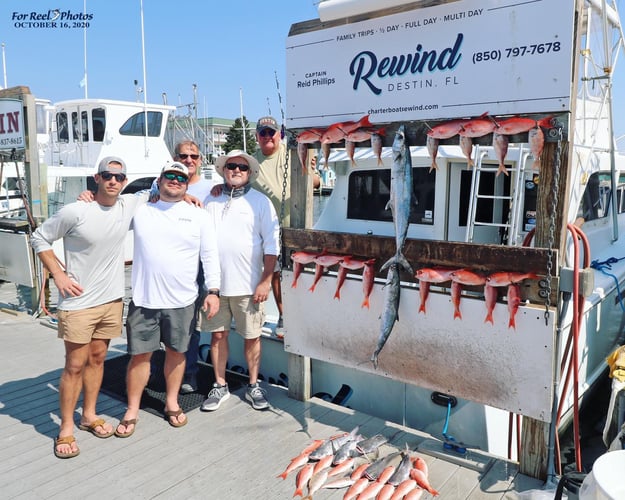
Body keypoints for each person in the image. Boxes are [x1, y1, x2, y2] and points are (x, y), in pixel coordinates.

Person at [31, 157, 146, 459]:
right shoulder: (76, 210)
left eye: (119, 177)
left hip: (111, 300)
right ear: (96, 178)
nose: (113, 181)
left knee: (98, 359)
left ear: (124, 182)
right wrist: (58, 274)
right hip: (79, 303)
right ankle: (66, 427)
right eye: (107, 175)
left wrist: (187, 194)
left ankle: (89, 415)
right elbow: (39, 237)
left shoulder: (127, 205)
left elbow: (163, 188)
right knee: (74, 365)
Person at [115, 162, 220, 436]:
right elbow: (109, 201)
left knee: (177, 353)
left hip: (183, 301)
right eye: (169, 176)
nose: (175, 181)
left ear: (187, 184)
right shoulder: (141, 209)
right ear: (159, 181)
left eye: (180, 178)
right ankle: (132, 409)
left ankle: (172, 402)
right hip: (144, 300)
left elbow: (210, 256)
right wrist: (89, 196)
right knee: (139, 357)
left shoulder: (199, 215)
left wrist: (214, 291)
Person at [201, 150, 279, 411]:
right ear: (223, 170)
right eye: (231, 166)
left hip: (249, 286)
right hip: (215, 288)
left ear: (249, 173)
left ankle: (254, 384)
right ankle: (220, 384)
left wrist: (265, 280)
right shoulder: (209, 201)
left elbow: (271, 245)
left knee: (252, 337)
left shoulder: (261, 202)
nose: (236, 170)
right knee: (217, 336)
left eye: (241, 168)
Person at [252, 116, 320, 330]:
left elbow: (318, 182)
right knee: (276, 273)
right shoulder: (250, 162)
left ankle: (305, 314)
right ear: (256, 136)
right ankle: (284, 316)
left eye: (271, 132)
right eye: (262, 133)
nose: (267, 136)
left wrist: (308, 171)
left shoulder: (292, 153)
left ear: (279, 135)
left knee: (302, 271)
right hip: (267, 231)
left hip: (297, 225)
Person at [172, 141, 215, 394]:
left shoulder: (213, 187)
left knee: (191, 324)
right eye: (183, 156)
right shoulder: (164, 183)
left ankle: (189, 373)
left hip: (198, 265)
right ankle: (164, 370)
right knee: (166, 323)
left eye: (193, 156)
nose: (189, 160)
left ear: (200, 159)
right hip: (171, 264)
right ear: (175, 157)